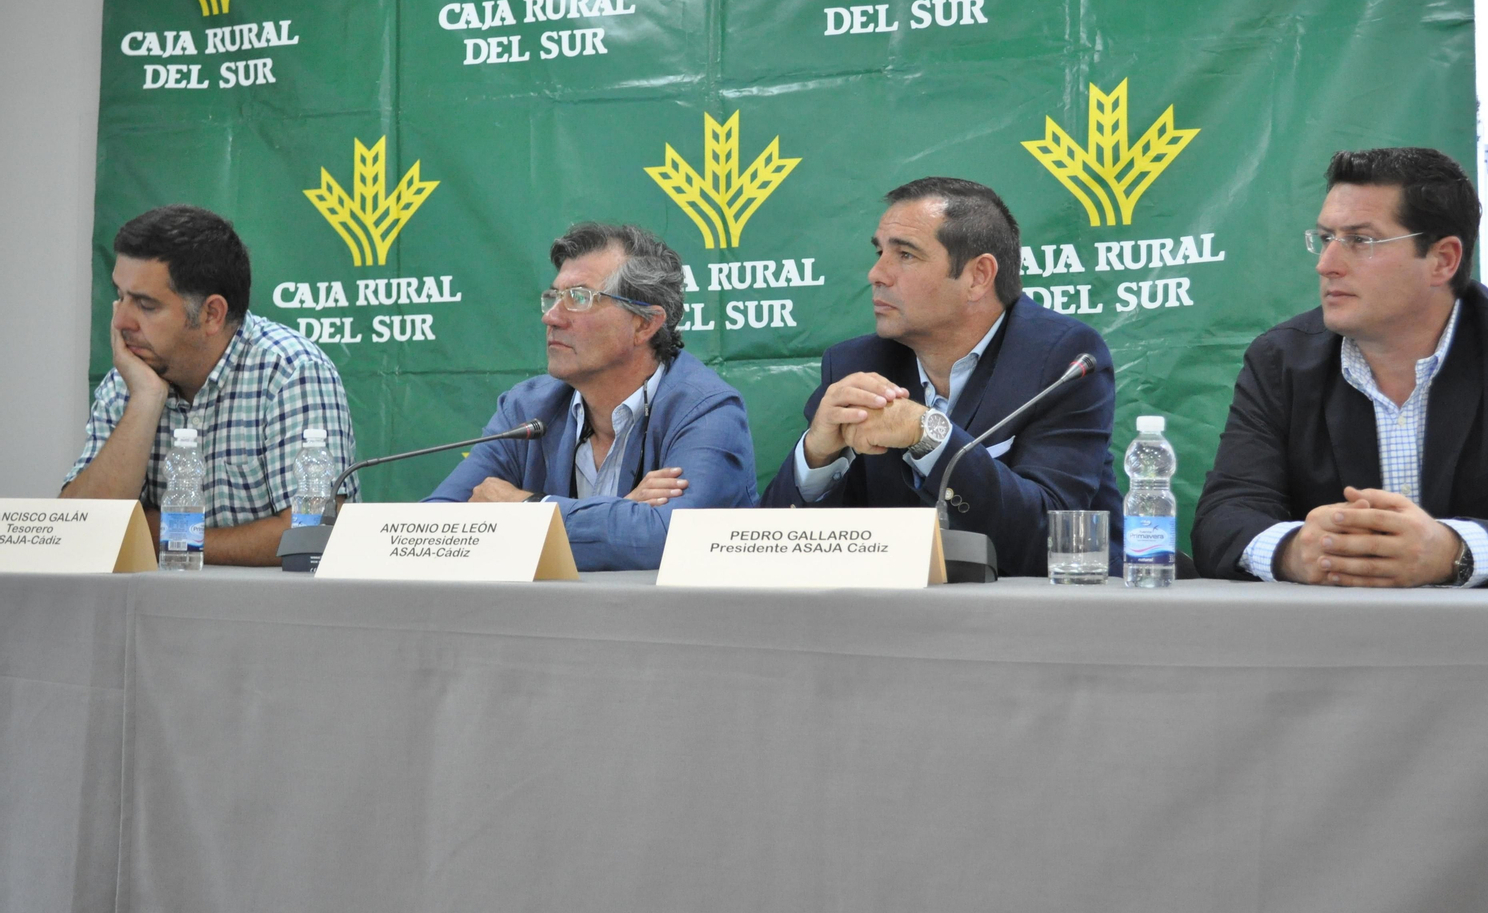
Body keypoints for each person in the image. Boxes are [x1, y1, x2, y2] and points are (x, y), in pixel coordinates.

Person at [1192, 147, 1488, 587]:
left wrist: (1451, 551)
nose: (1326, 264)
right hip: (1328, 639)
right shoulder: (1280, 360)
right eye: (1326, 238)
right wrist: (1295, 551)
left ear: (1443, 259)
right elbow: (1222, 519)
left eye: (1360, 241)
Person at [760, 177, 1123, 576]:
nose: (876, 274)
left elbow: (1049, 537)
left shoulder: (1062, 361)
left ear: (978, 277)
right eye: (880, 252)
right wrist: (816, 456)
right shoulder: (855, 366)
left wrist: (928, 433)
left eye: (906, 255)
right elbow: (776, 552)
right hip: (896, 620)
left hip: (1048, 616)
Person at [427, 222, 758, 569]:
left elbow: (670, 540)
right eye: (553, 297)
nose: (551, 317)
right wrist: (621, 514)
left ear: (644, 324)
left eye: (579, 298)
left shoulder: (707, 410)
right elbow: (436, 527)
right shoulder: (525, 408)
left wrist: (528, 509)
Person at [61, 204, 359, 565]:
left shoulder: (291, 372)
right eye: (120, 296)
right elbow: (82, 530)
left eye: (145, 305)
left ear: (211, 314)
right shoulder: (128, 379)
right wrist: (145, 399)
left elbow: (311, 535)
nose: (121, 320)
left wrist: (158, 533)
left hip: (272, 612)